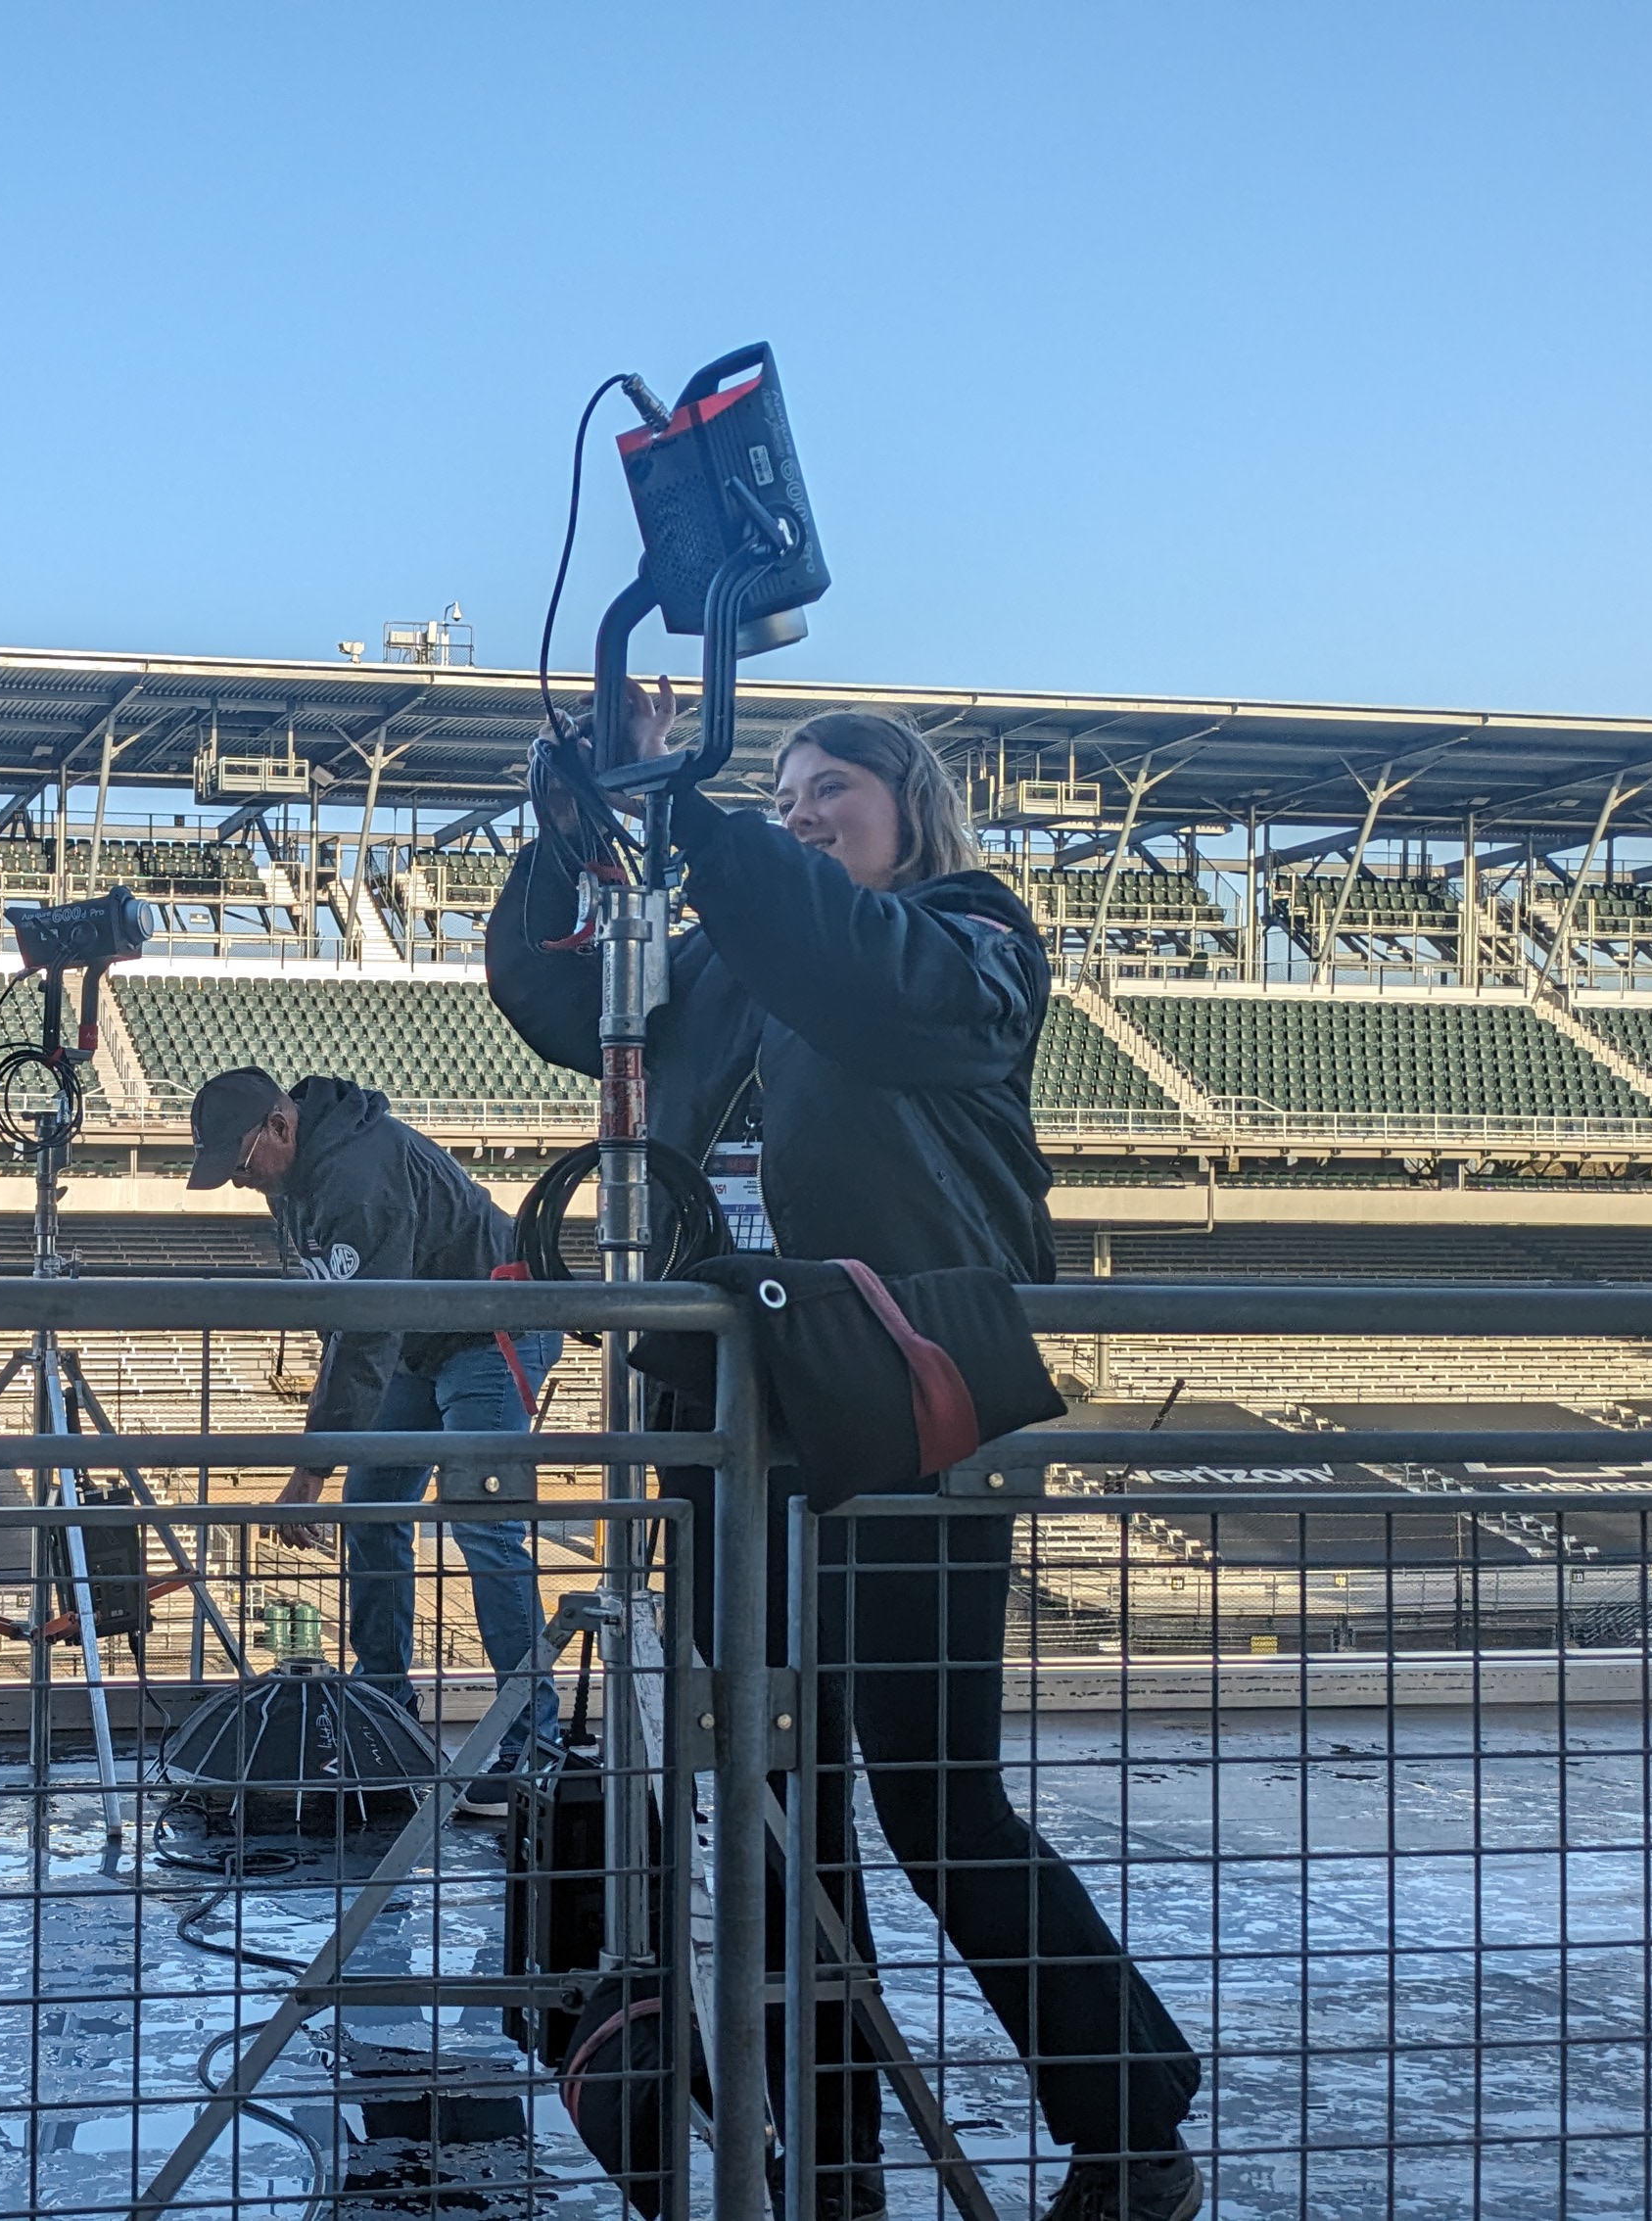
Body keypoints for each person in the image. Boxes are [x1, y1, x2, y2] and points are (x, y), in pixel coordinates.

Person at [486, 691, 1204, 2221]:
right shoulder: (723, 959)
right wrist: (572, 830)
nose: (804, 810)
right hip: (725, 1436)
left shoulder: (970, 939)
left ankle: (1134, 2118)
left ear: (910, 807)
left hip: (898, 1428)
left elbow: (862, 979)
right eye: (787, 790)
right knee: (766, 1809)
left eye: (833, 791)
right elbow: (559, 1004)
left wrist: (714, 820)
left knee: (936, 1797)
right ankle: (831, 2165)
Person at [185, 1064, 562, 1812]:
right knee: (374, 1511)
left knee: (485, 1531)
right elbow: (346, 1319)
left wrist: (308, 1474)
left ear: (280, 1127)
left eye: (240, 1163)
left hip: (491, 1331)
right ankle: (385, 1705)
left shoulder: (359, 1176)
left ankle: (532, 1743)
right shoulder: (296, 1183)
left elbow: (362, 1334)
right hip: (419, 1342)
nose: (237, 1181)